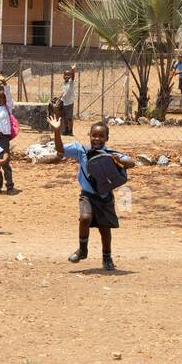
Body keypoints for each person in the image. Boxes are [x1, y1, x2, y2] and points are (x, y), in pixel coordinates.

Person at [49, 110, 134, 272]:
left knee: (105, 230)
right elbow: (59, 149)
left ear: (106, 138)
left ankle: (107, 257)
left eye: (101, 136)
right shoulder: (80, 150)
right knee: (85, 217)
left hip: (105, 196)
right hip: (87, 195)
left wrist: (120, 159)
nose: (97, 139)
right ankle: (82, 250)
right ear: (89, 135)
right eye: (94, 135)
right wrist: (57, 130)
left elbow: (131, 163)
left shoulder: (111, 154)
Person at [55, 65, 77, 136]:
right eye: (65, 75)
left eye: (68, 75)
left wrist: (73, 69)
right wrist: (59, 97)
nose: (66, 76)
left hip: (69, 102)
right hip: (63, 101)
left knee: (70, 118)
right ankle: (66, 130)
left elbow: (73, 76)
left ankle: (71, 131)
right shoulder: (64, 83)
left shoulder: (71, 82)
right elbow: (64, 92)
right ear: (63, 76)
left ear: (70, 76)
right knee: (64, 117)